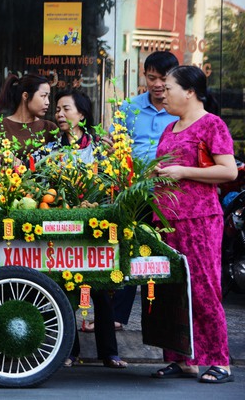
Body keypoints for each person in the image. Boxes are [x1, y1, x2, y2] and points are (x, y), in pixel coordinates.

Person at [151, 65, 237, 383]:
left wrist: (183, 172)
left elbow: (228, 171)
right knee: (170, 290)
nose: (163, 92)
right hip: (166, 220)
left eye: (169, 87)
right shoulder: (169, 128)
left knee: (202, 288)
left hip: (199, 219)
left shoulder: (211, 125)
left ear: (189, 91)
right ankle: (181, 358)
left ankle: (218, 360)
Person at [35, 88, 127, 369]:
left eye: (66, 109)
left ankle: (109, 353)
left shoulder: (100, 148)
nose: (59, 115)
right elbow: (32, 177)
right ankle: (70, 351)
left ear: (82, 114)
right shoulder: (49, 149)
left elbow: (117, 182)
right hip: (61, 228)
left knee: (100, 290)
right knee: (65, 288)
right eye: (58, 110)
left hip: (95, 227)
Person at [101, 51, 180, 332]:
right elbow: (114, 145)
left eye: (163, 78)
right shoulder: (129, 108)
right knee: (130, 248)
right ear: (143, 76)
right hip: (134, 192)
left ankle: (169, 321)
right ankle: (118, 317)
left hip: (170, 194)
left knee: (164, 254)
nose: (157, 84)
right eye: (151, 78)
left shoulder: (181, 109)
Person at [0, 73, 57, 160]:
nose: (47, 102)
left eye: (48, 97)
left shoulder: (50, 128)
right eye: (43, 96)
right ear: (25, 96)